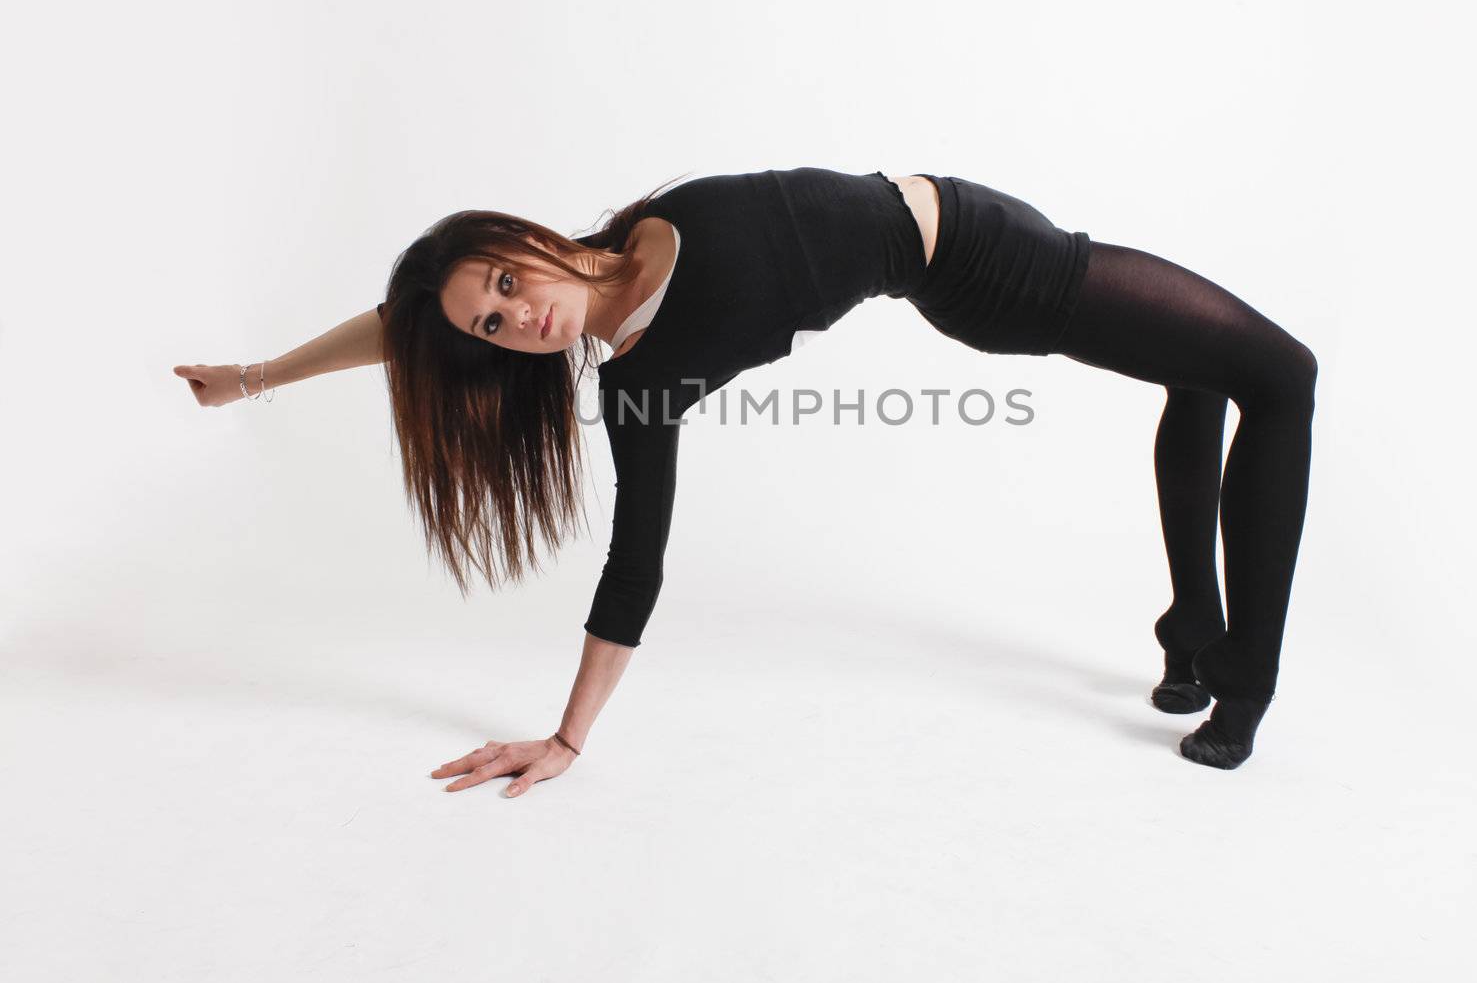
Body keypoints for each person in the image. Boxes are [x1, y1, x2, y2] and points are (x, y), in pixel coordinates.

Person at [173, 167, 1316, 787]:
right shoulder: (641, 384)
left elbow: (397, 316)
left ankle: (1189, 633)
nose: (519, 318)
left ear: (520, 243)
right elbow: (636, 563)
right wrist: (568, 738)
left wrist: (254, 373)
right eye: (494, 328)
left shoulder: (631, 231)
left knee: (1203, 375)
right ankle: (1245, 680)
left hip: (969, 218)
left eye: (504, 286)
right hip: (984, 267)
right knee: (1282, 375)